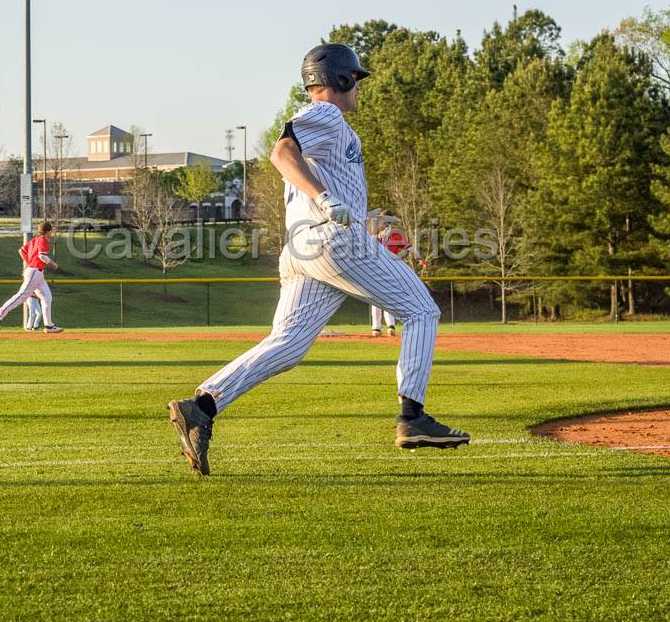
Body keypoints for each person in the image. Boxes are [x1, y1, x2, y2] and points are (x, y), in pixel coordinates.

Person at [167, 43, 469, 476]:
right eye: (356, 79)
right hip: (332, 241)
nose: (358, 88)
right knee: (422, 310)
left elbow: (300, 163)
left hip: (302, 248)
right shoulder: (327, 115)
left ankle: (202, 407)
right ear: (342, 80)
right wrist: (327, 199)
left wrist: (346, 206)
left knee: (287, 345)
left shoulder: (332, 128)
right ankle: (412, 417)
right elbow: (281, 153)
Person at [0, 221, 63, 334]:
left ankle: (49, 326)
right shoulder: (43, 240)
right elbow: (42, 256)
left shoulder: (34, 240)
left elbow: (21, 251)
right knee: (22, 296)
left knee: (47, 297)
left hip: (36, 273)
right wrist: (52, 264)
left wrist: (29, 263)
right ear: (48, 231)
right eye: (51, 230)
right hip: (34, 272)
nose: (52, 233)